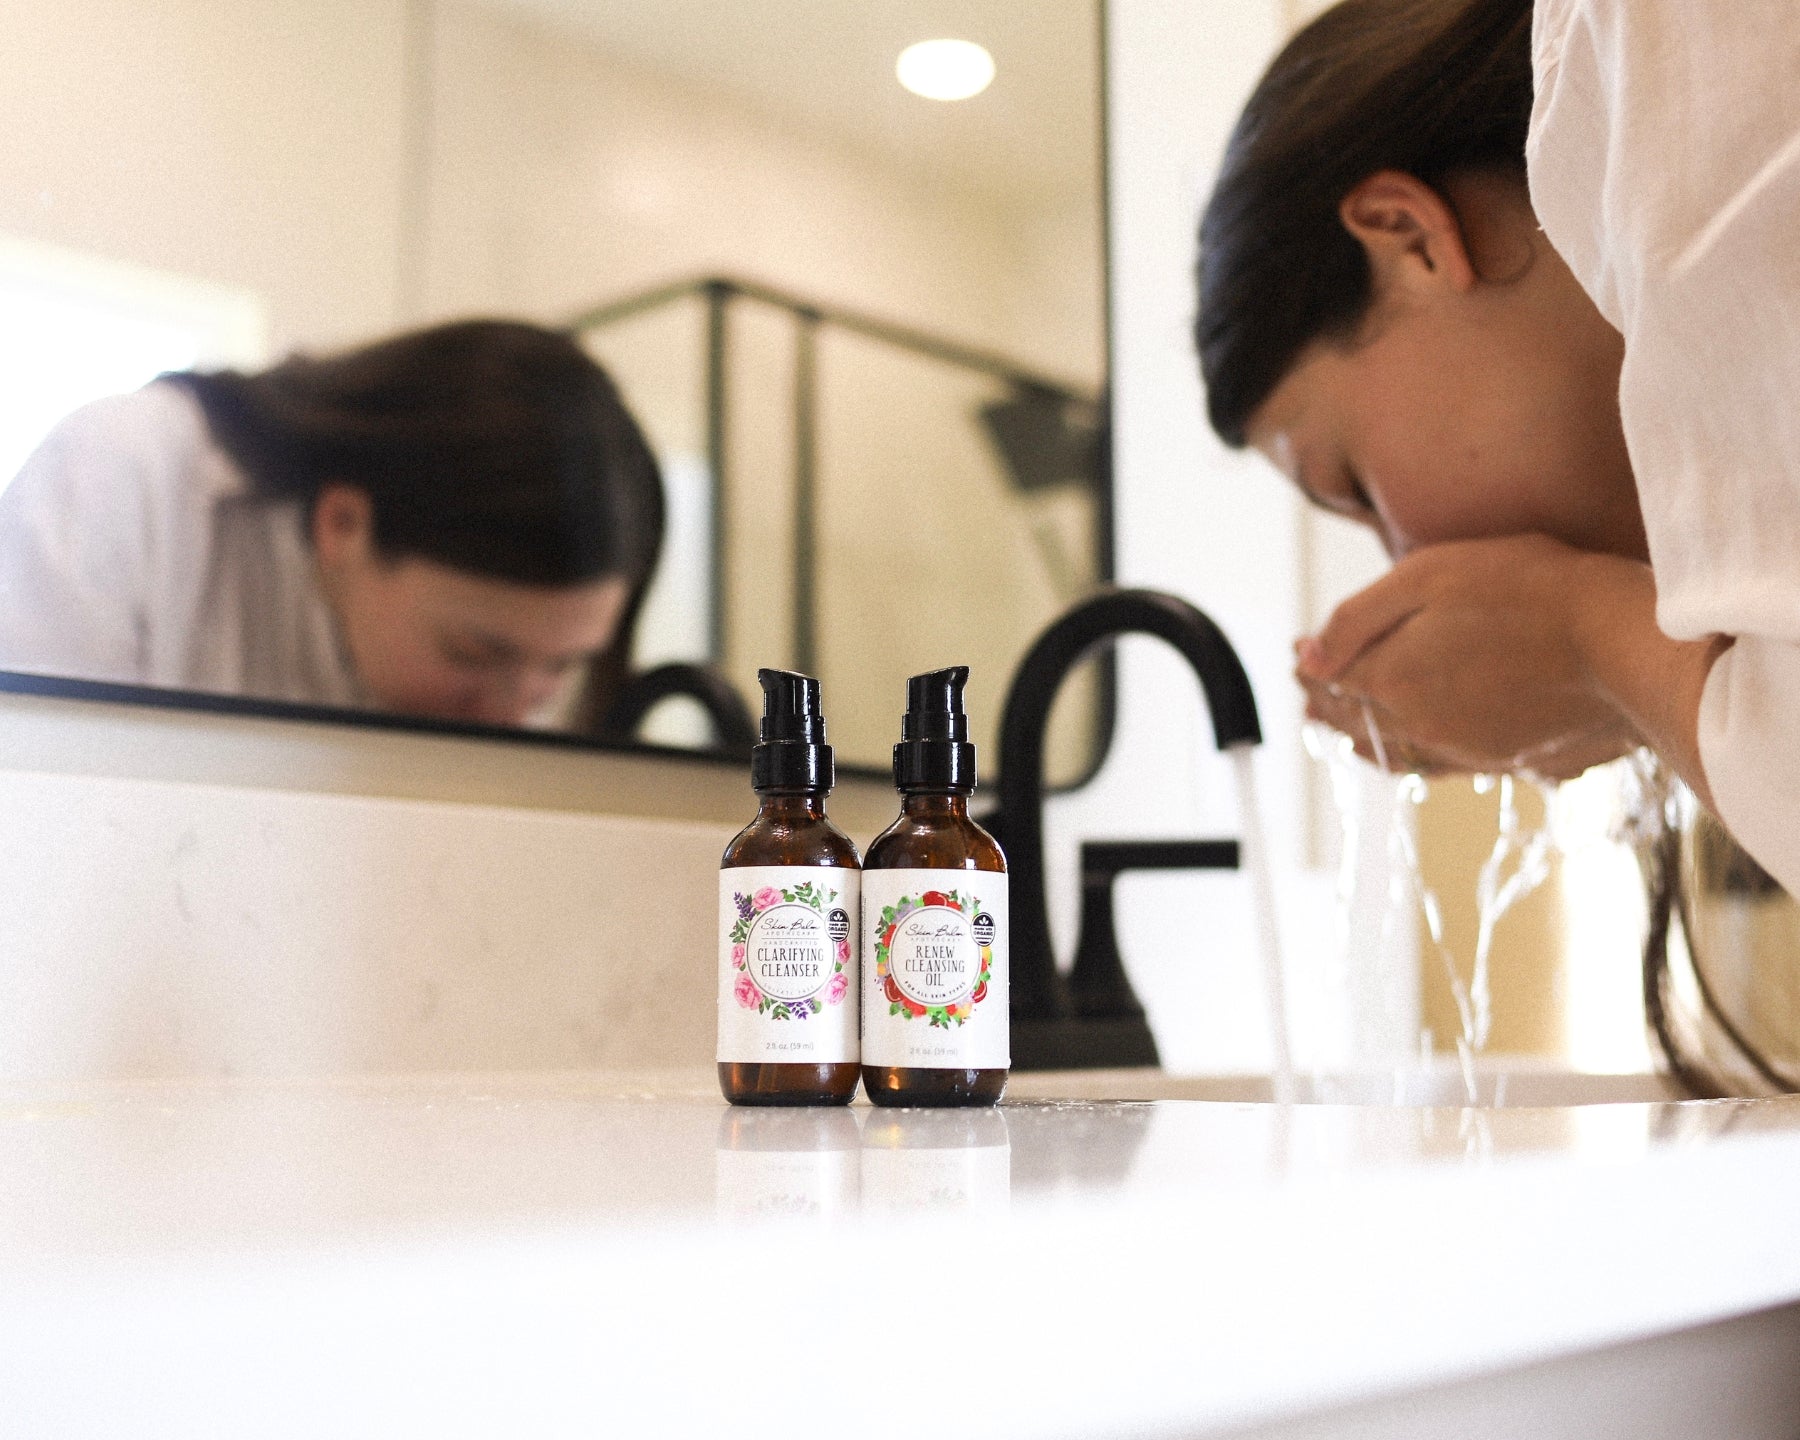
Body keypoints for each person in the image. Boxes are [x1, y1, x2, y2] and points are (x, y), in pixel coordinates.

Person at [1198, 0, 1800, 894]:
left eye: (1354, 484)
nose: (1409, 561)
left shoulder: (1674, 37)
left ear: (1411, 239)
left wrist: (1590, 638)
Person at [0, 319, 665, 729]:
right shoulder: (126, 472)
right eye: (473, 654)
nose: (513, 713)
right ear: (343, 525)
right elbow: (39, 798)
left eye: (559, 668)